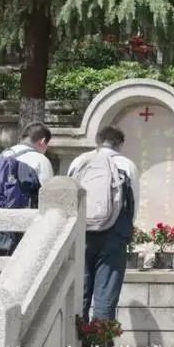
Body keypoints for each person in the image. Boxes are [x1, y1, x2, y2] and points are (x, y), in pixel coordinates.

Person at [67, 126, 139, 322]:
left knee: (79, 292)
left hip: (81, 233)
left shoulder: (79, 161)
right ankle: (101, 339)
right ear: (120, 143)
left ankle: (77, 338)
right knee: (106, 295)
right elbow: (133, 206)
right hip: (113, 235)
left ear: (98, 141)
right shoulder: (126, 165)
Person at [0, 122, 54, 255]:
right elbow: (49, 198)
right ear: (43, 141)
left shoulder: (2, 155)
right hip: (18, 230)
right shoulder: (40, 160)